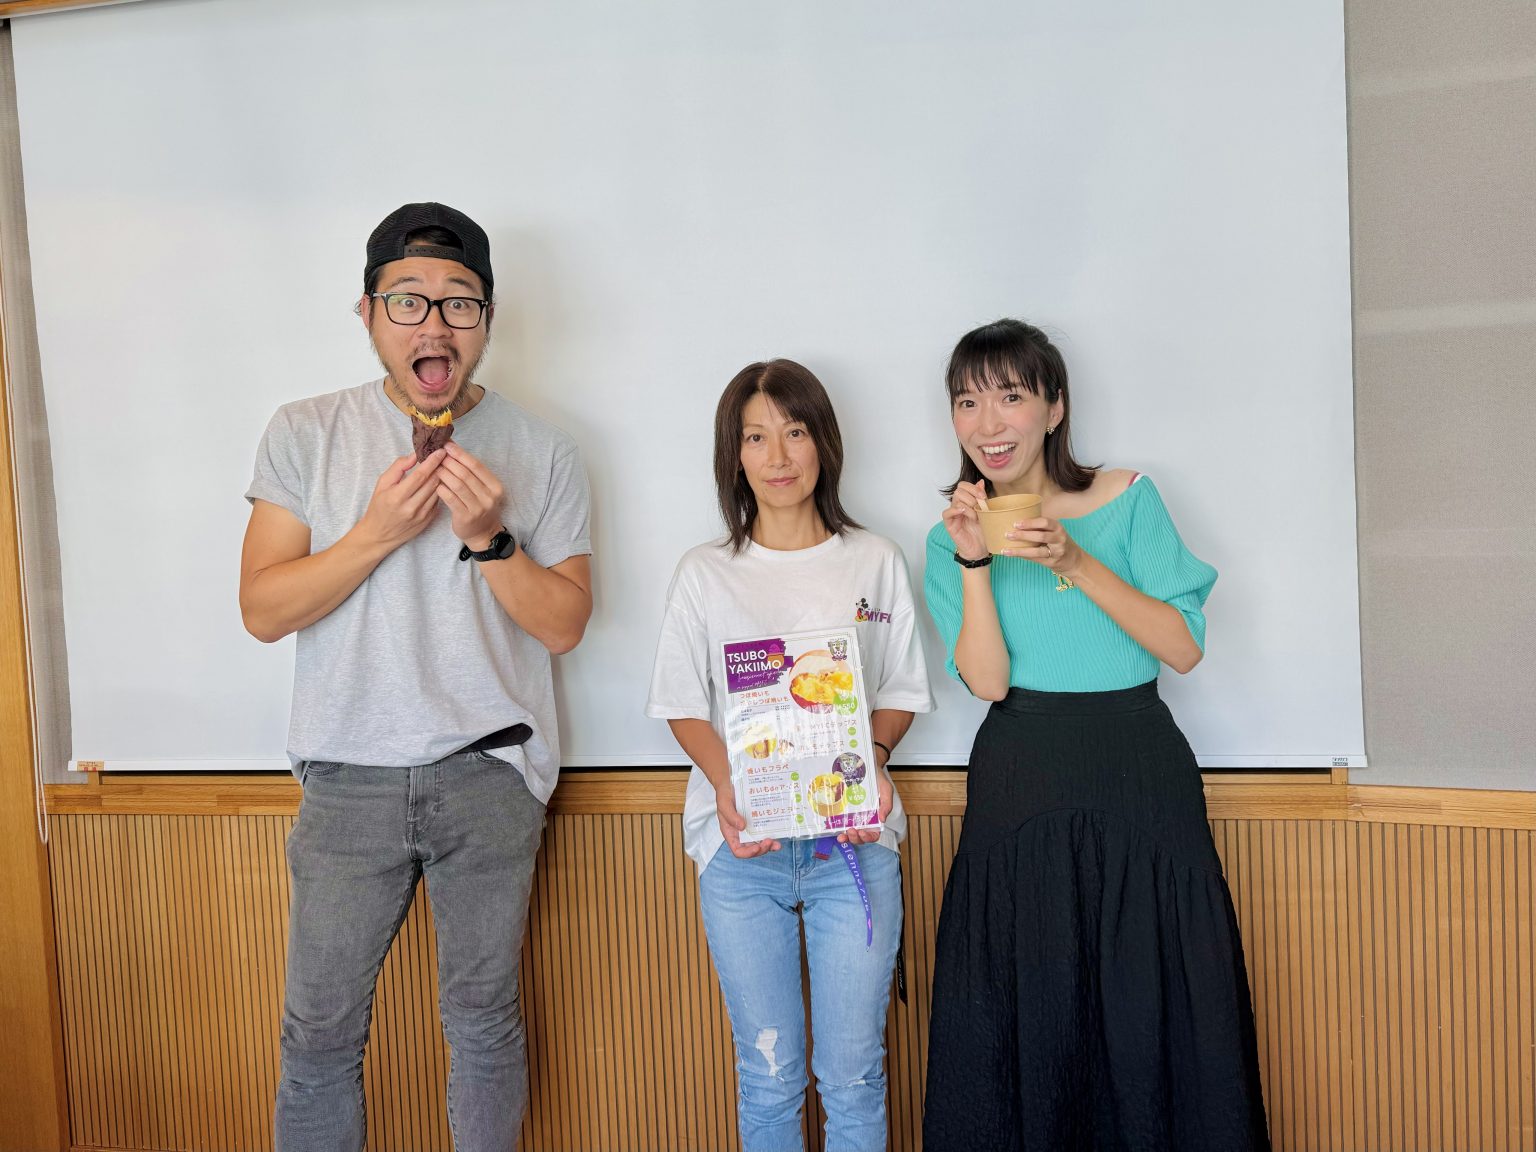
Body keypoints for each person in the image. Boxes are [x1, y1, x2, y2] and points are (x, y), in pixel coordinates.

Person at [239, 202, 593, 1152]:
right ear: (367, 313)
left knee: (484, 1022)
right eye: (408, 300)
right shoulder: (305, 432)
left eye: (458, 302)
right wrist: (375, 534)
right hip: (346, 775)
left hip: (490, 771)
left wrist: (491, 539)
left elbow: (564, 624)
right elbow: (264, 609)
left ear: (486, 320)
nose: (434, 323)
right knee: (318, 1033)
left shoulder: (546, 449)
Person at [921, 319, 1269, 1151]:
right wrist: (975, 562)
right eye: (967, 402)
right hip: (1021, 773)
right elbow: (989, 683)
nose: (988, 422)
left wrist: (1075, 563)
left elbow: (1183, 647)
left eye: (1011, 396)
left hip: (1137, 765)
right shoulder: (948, 538)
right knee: (1030, 998)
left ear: (1054, 407)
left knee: (1152, 993)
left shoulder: (1129, 497)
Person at [646, 359, 934, 1152]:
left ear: (824, 443)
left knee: (855, 1078)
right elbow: (680, 704)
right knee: (769, 1077)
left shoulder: (874, 560)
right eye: (755, 437)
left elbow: (900, 689)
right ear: (733, 455)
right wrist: (728, 784)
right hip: (743, 854)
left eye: (795, 431)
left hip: (854, 847)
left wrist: (875, 758)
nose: (777, 455)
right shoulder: (705, 573)